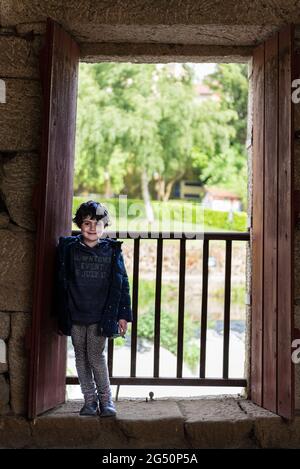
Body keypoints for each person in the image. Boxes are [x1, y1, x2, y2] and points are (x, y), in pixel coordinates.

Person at [53, 200, 133, 417]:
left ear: (104, 227)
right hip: (76, 311)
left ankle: (106, 401)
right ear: (80, 225)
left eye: (97, 224)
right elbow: (59, 280)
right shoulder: (68, 248)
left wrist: (123, 314)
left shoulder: (111, 250)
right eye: (87, 223)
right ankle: (89, 400)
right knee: (80, 356)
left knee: (95, 356)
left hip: (101, 314)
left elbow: (122, 282)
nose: (92, 228)